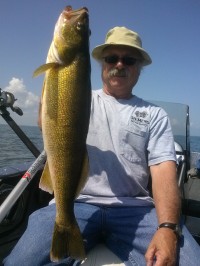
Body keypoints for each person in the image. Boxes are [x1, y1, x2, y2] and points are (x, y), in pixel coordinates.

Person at [4, 26, 200, 266]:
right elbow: (48, 123)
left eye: (128, 60)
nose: (119, 64)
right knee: (20, 262)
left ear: (139, 68)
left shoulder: (154, 114)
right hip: (75, 203)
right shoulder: (79, 95)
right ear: (101, 64)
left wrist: (168, 227)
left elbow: (163, 171)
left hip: (135, 209)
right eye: (111, 58)